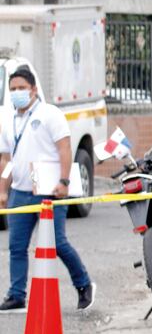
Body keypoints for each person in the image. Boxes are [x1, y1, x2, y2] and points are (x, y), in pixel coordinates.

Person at [0, 65, 95, 312]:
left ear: (33, 89)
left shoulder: (49, 114)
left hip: (48, 190)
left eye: (21, 88)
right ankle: (16, 294)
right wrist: (3, 189)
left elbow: (64, 147)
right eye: (13, 89)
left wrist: (64, 181)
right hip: (20, 192)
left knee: (57, 243)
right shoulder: (9, 121)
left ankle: (84, 284)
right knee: (17, 246)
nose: (17, 93)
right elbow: (6, 160)